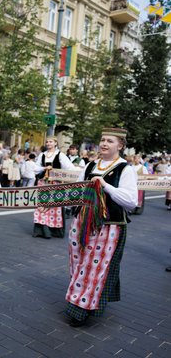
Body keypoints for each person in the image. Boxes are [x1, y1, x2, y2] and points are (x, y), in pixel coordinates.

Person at [65, 128, 137, 327]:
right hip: (82, 221)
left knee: (93, 267)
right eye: (103, 140)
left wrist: (105, 185)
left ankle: (80, 309)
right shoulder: (89, 165)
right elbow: (77, 191)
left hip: (109, 225)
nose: (104, 143)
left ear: (120, 145)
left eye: (110, 141)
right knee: (77, 261)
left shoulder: (125, 169)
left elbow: (131, 202)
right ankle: (81, 299)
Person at [32, 136, 75, 239]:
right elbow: (35, 168)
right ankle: (41, 229)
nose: (48, 143)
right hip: (43, 183)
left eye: (50, 142)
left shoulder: (60, 155)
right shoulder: (42, 155)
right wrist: (44, 168)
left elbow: (69, 168)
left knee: (53, 205)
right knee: (41, 205)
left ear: (55, 143)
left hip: (55, 183)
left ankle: (54, 230)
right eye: (47, 142)